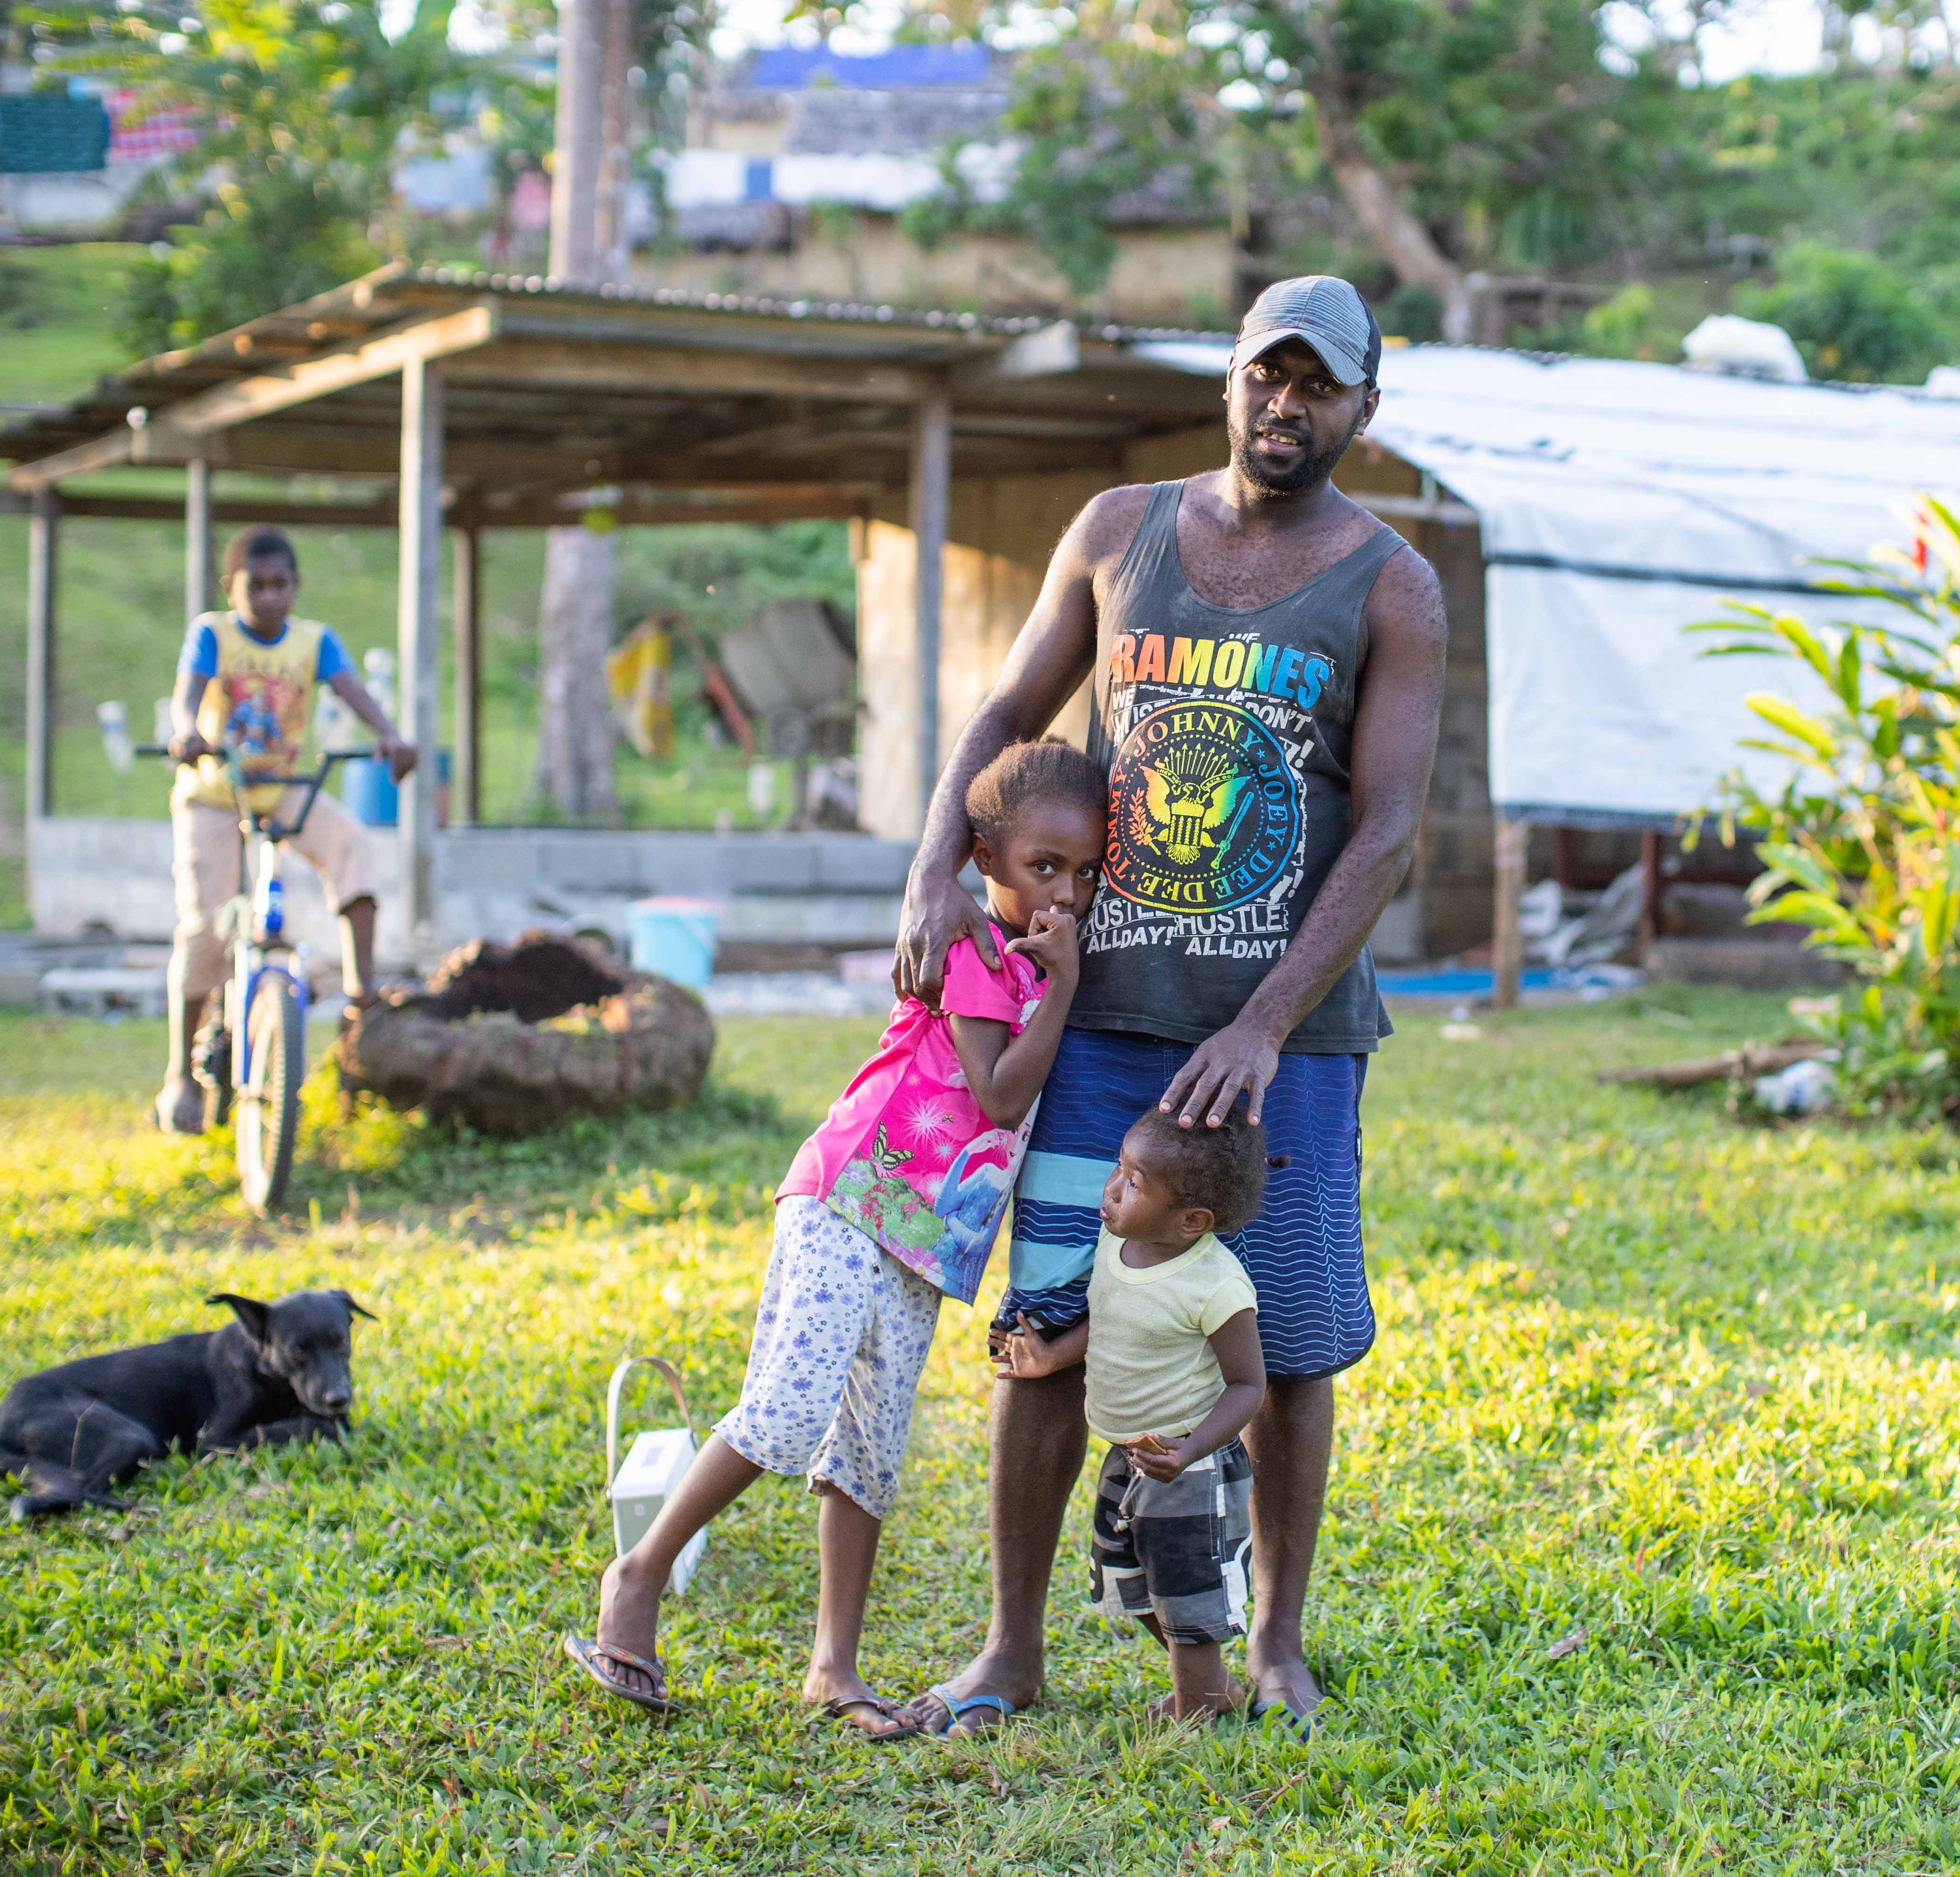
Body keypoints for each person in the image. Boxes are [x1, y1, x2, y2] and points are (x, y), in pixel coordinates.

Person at [893, 276, 1449, 1738]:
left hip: (1286, 1048)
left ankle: (1274, 1643)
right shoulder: (1118, 531)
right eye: (1267, 374)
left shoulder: (1391, 581)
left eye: (1320, 385)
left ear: (1363, 411)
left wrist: (1263, 1021)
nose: (1287, 403)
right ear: (1228, 380)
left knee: (1294, 1334)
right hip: (1094, 1023)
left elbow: (1388, 826)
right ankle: (1012, 1653)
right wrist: (934, 865)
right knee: (1050, 1323)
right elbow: (1006, 718)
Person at [564, 740, 1106, 1732]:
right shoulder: (976, 950)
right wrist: (1063, 985)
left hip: (926, 1238)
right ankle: (636, 1575)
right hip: (852, 1192)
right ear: (985, 859)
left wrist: (1063, 976)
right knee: (786, 1408)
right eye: (1044, 868)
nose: (1066, 893)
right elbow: (997, 1091)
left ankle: (833, 1666)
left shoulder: (1043, 956)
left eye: (1085, 871)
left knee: (868, 1447)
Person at [992, 1112, 1278, 1725]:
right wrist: (1048, 1358)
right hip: (1131, 1456)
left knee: (1184, 1584)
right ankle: (1212, 1685)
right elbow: (1111, 1318)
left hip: (1189, 1464)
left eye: (1135, 1182)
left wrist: (1191, 1447)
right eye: (1118, 1170)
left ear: (1192, 1221)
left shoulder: (1217, 1286)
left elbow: (1248, 1386)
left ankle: (1197, 1705)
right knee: (1129, 1576)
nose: (1112, 1188)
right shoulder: (1121, 1248)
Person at [154, 526, 416, 1136]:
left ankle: (363, 993)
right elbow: (187, 697)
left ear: (296, 587)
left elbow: (355, 694)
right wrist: (188, 732)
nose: (270, 598)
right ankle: (180, 1076)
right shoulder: (212, 633)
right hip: (217, 794)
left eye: (281, 585)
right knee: (207, 927)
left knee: (349, 843)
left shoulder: (314, 641)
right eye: (257, 586)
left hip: (284, 790)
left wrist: (390, 735)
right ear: (232, 588)